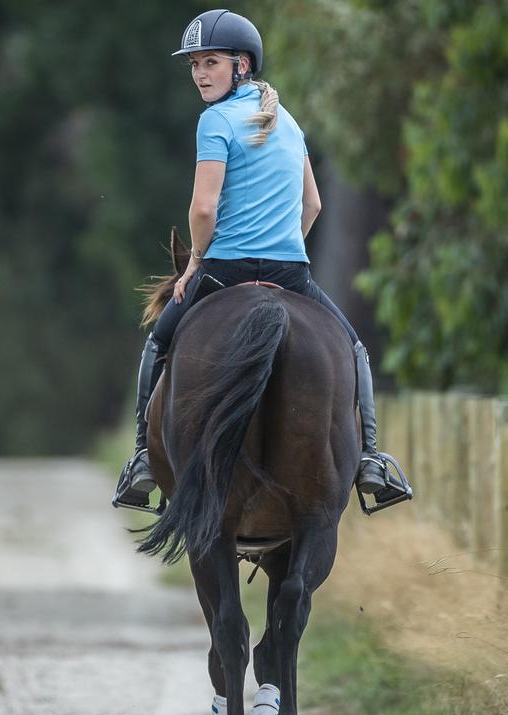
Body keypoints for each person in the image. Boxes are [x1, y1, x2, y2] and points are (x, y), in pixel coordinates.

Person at [111, 9, 412, 514]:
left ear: (242, 66)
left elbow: (204, 206)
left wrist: (194, 265)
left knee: (159, 342)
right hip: (289, 272)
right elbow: (311, 204)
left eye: (210, 62)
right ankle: (369, 459)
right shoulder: (288, 122)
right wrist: (282, 245)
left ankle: (143, 458)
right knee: (354, 349)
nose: (200, 73)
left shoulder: (215, 121)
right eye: (194, 65)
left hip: (224, 270)